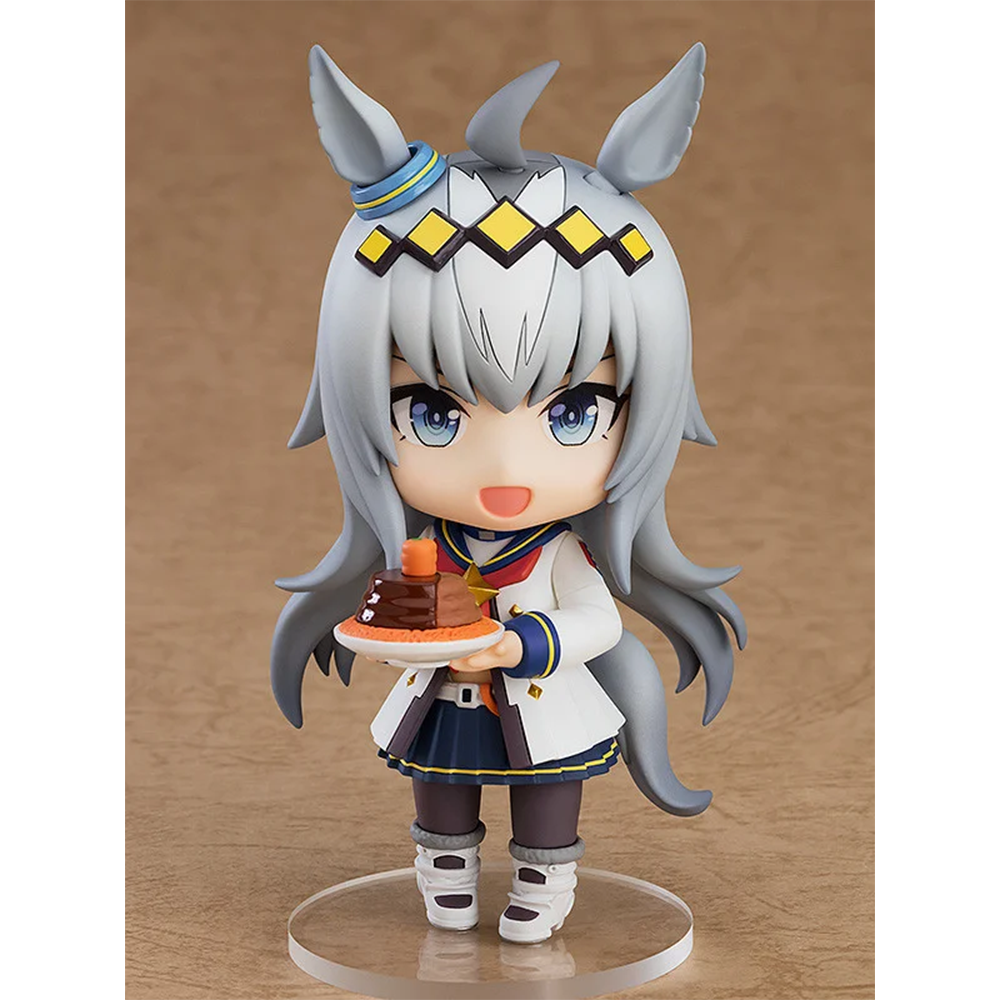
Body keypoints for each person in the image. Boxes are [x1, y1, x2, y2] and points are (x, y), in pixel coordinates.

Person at [271, 44, 745, 944]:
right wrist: (397, 634)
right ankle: (444, 874)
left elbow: (596, 622)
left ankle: (543, 882)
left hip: (545, 701)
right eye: (433, 414)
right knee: (440, 797)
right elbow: (394, 618)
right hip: (443, 709)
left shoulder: (559, 554)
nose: (504, 467)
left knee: (548, 805)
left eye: (574, 412)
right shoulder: (425, 550)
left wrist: (523, 643)